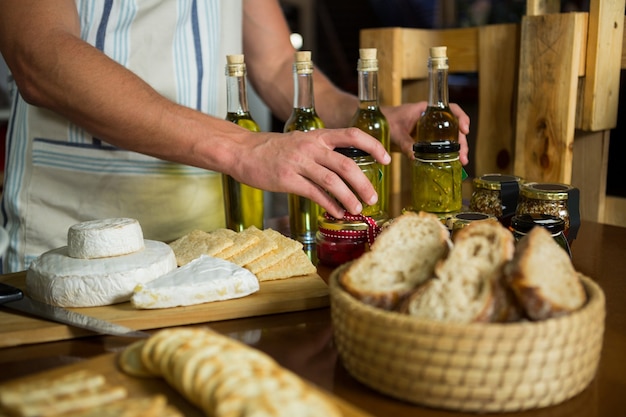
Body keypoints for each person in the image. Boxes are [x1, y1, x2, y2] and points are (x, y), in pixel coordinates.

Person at [0, 0, 469, 272]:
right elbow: (38, 55)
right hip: (76, 236)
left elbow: (275, 65)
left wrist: (375, 117)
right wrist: (246, 147)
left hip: (214, 243)